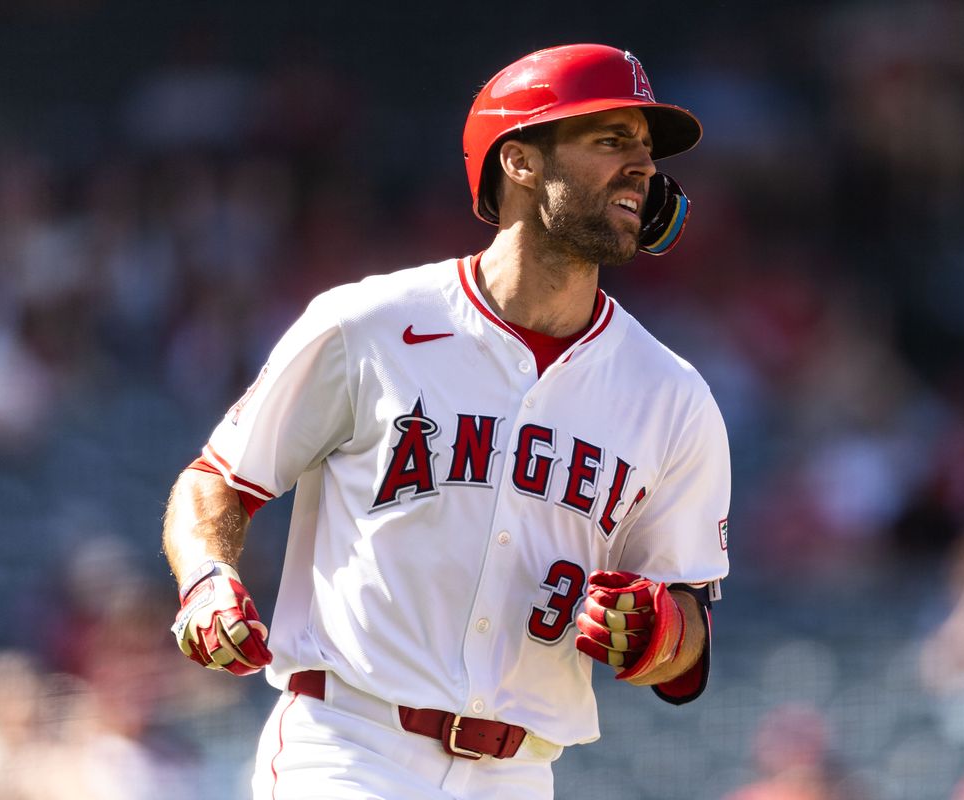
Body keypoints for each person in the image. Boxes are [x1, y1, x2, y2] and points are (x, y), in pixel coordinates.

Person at [161, 43, 732, 800]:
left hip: (522, 772)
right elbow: (217, 482)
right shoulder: (369, 325)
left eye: (646, 150)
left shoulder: (672, 394)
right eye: (610, 140)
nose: (644, 168)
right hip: (351, 746)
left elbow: (687, 636)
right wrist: (206, 579)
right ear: (521, 162)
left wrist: (660, 632)